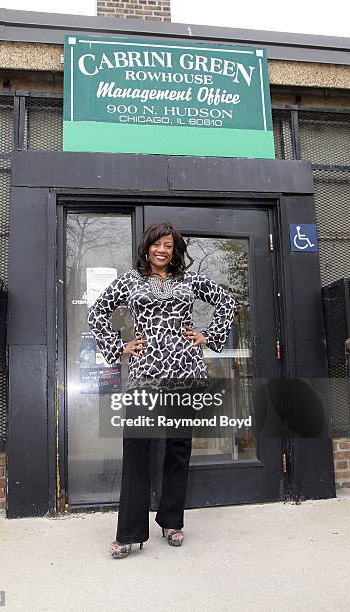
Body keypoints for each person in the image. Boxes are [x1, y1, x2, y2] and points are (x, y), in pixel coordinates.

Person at [87, 222, 237, 559]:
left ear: (175, 250)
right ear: (147, 247)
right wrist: (119, 347)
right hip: (146, 376)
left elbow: (227, 302)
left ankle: (172, 521)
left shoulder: (189, 281)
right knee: (137, 450)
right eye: (157, 244)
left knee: (178, 449)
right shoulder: (130, 280)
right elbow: (96, 313)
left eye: (169, 245)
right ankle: (129, 532)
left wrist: (207, 336)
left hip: (186, 371)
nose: (162, 250)